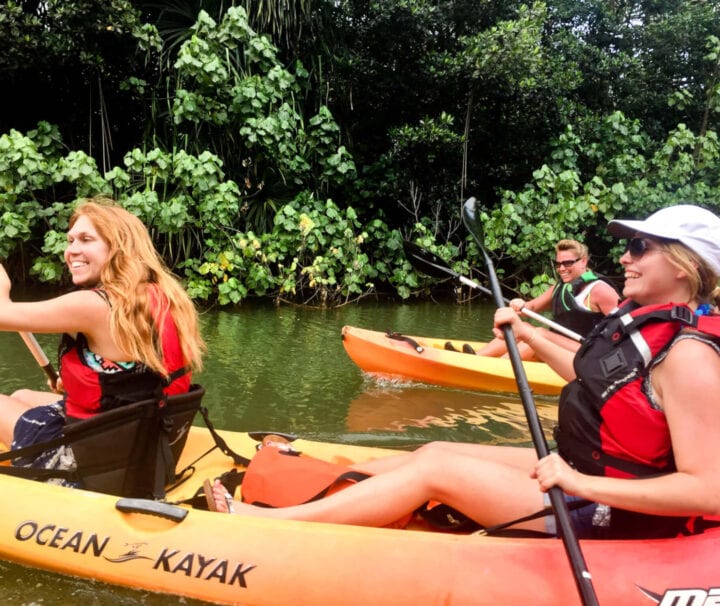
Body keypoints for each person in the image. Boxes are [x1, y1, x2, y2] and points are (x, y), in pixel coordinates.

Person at [208, 204, 720, 540]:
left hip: (612, 509)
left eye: (639, 248)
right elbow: (599, 383)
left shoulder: (691, 356)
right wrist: (530, 336)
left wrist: (580, 484)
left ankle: (266, 526)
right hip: (580, 470)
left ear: (683, 264)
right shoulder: (648, 329)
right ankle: (310, 481)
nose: (624, 257)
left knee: (439, 472)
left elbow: (706, 490)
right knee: (436, 449)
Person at [0, 197, 204, 480]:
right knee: (21, 395)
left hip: (98, 458)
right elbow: (139, 376)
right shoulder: (163, 295)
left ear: (119, 248)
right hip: (140, 436)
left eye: (86, 239)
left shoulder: (94, 305)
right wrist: (72, 381)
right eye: (70, 240)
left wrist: (3, 284)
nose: (72, 250)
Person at [475, 239, 620, 359]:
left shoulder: (600, 290)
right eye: (558, 264)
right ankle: (478, 357)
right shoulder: (561, 286)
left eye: (568, 263)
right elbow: (531, 307)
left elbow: (625, 327)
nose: (562, 268)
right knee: (524, 327)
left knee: (539, 334)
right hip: (560, 345)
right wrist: (520, 304)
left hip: (588, 353)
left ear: (583, 261)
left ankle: (497, 367)